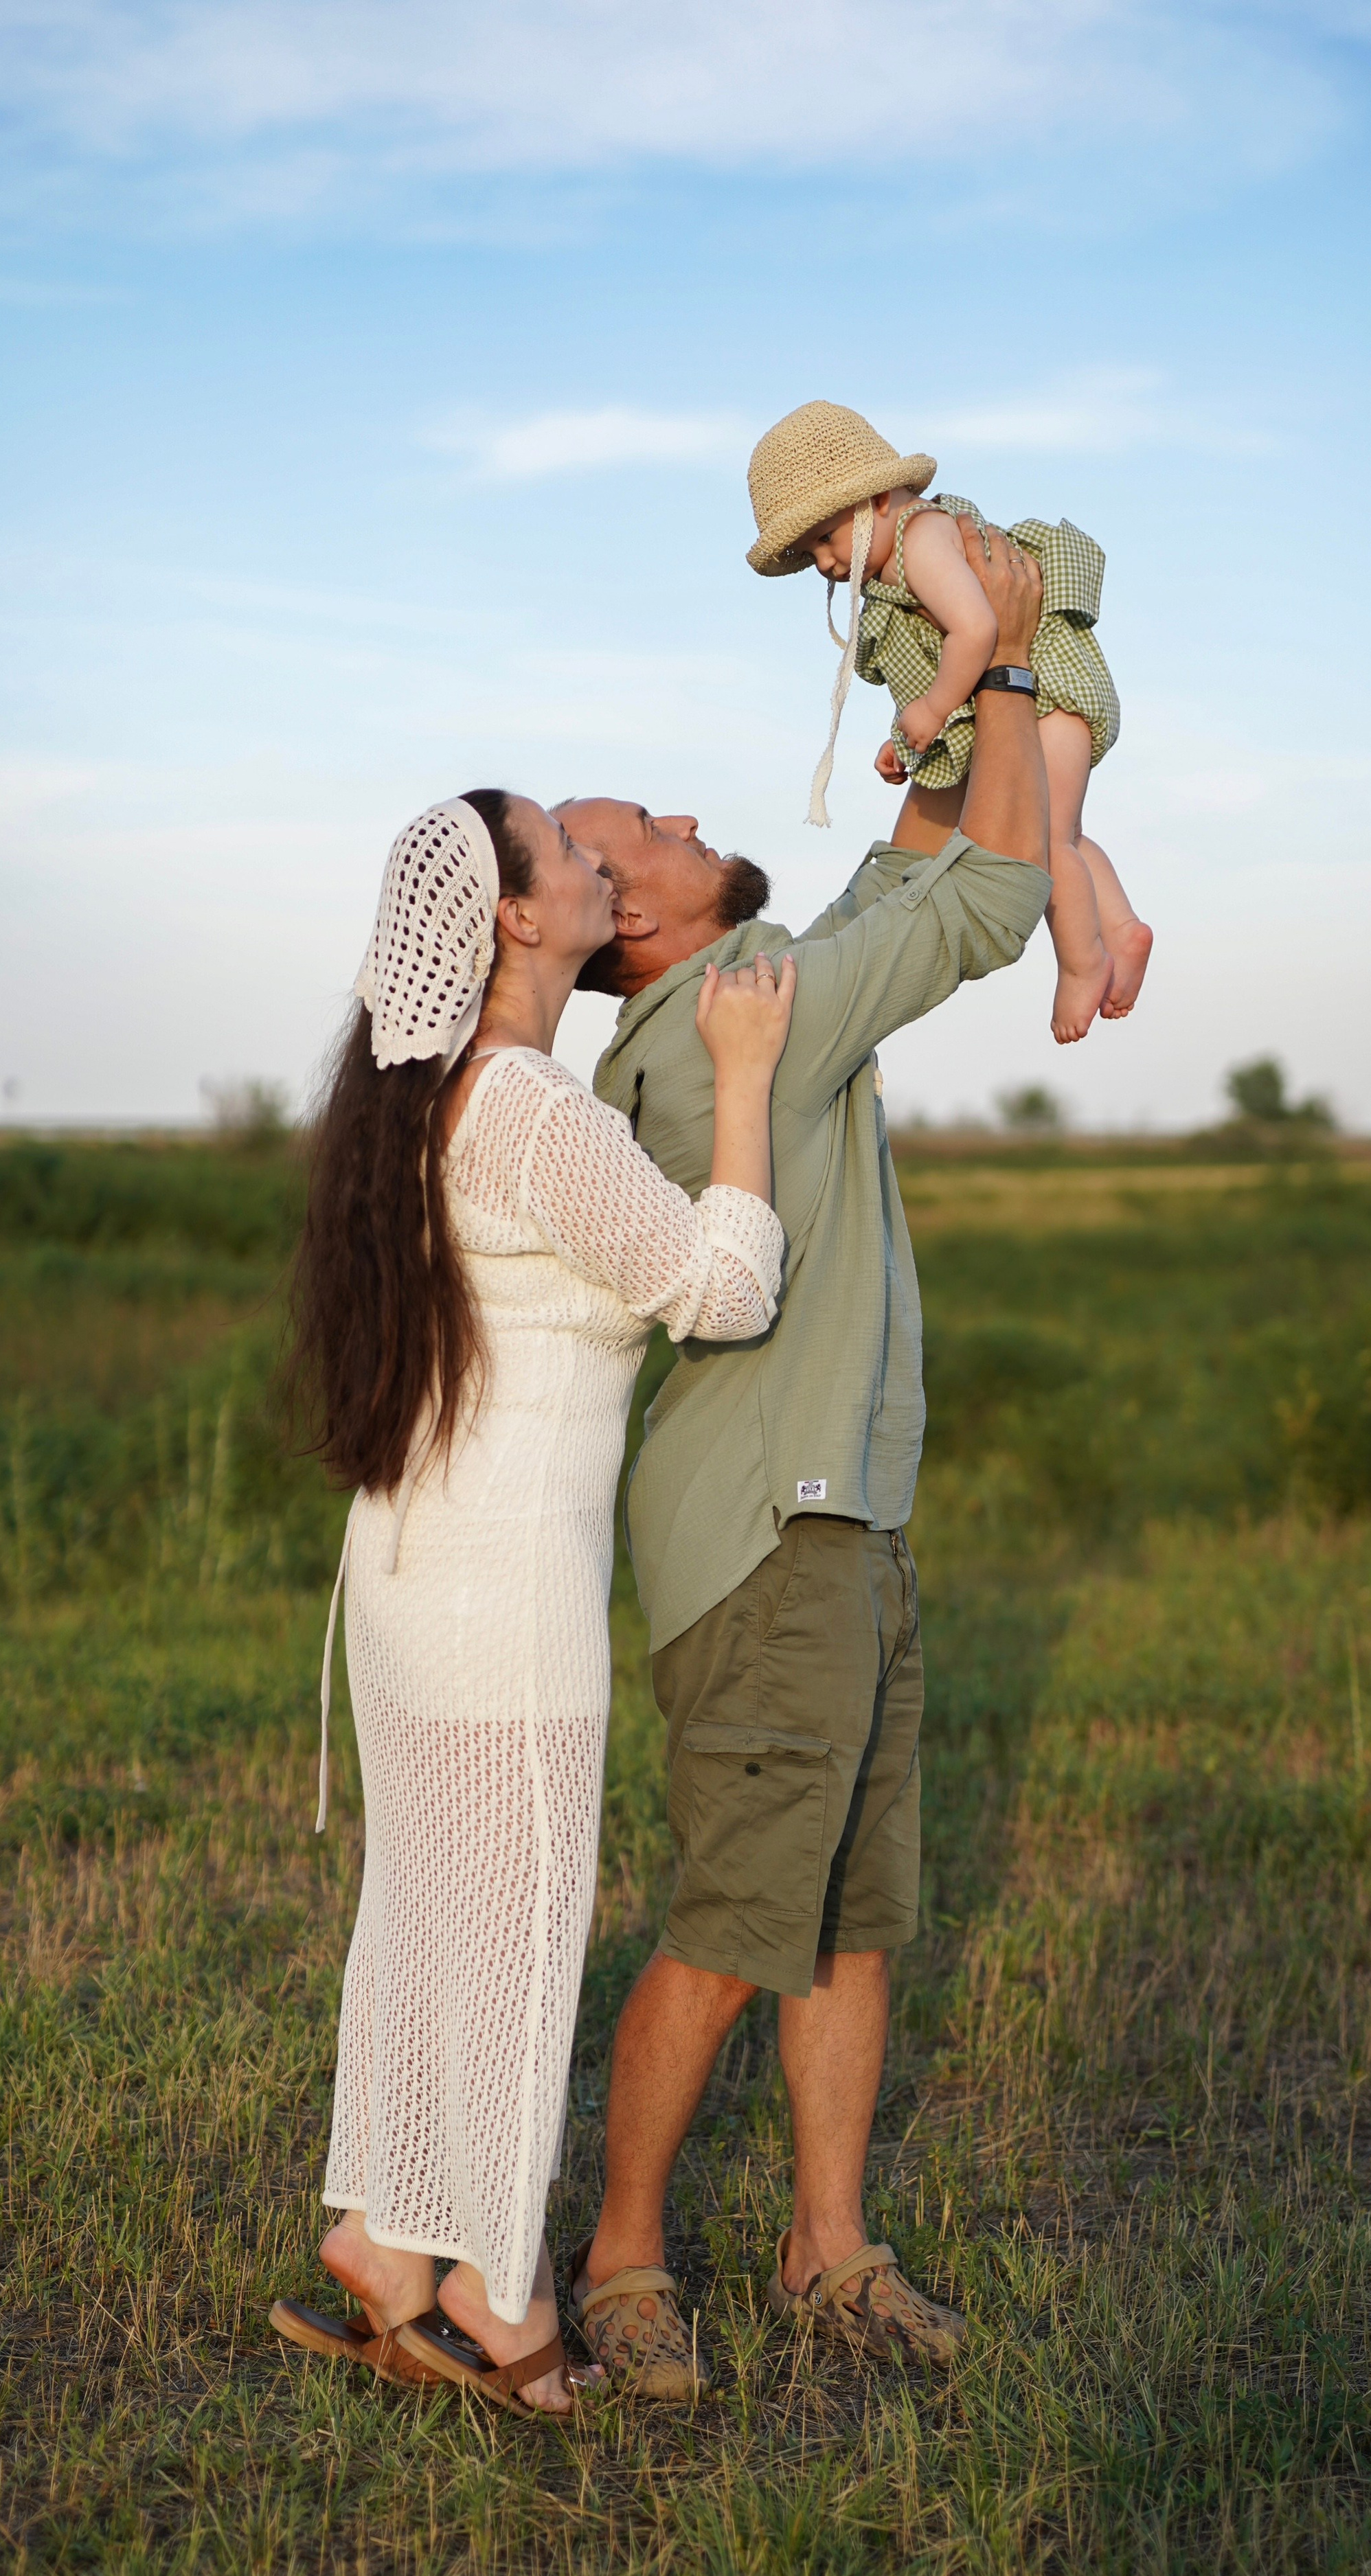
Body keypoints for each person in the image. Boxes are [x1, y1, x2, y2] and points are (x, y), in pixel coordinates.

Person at [555, 515, 1054, 2402]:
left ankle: (830, 2244)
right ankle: (620, 2258)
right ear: (637, 908)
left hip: (838, 1512)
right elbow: (990, 901)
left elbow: (898, 882)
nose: (688, 814)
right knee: (733, 1906)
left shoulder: (753, 986)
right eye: (651, 828)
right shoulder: (711, 1041)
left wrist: (927, 701)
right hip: (770, 1535)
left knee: (845, 1898)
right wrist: (999, 660)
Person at [269, 789, 793, 2417]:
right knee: (517, 1938)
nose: (594, 870)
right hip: (503, 1597)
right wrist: (749, 1089)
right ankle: (502, 2294)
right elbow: (719, 1287)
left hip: (415, 1574)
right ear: (511, 919)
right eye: (564, 858)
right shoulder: (533, 1108)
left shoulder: (433, 1102)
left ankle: (382, 2240)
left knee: (428, 1919)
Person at [746, 398, 1153, 1045]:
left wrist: (933, 710)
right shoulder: (890, 572)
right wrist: (908, 734)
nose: (823, 562)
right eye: (808, 551)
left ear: (878, 499)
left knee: (1043, 842)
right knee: (1063, 830)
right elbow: (941, 667)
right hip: (1037, 692)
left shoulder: (923, 537)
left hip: (1048, 686)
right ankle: (1122, 928)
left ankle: (1083, 962)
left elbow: (980, 628)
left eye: (825, 537)